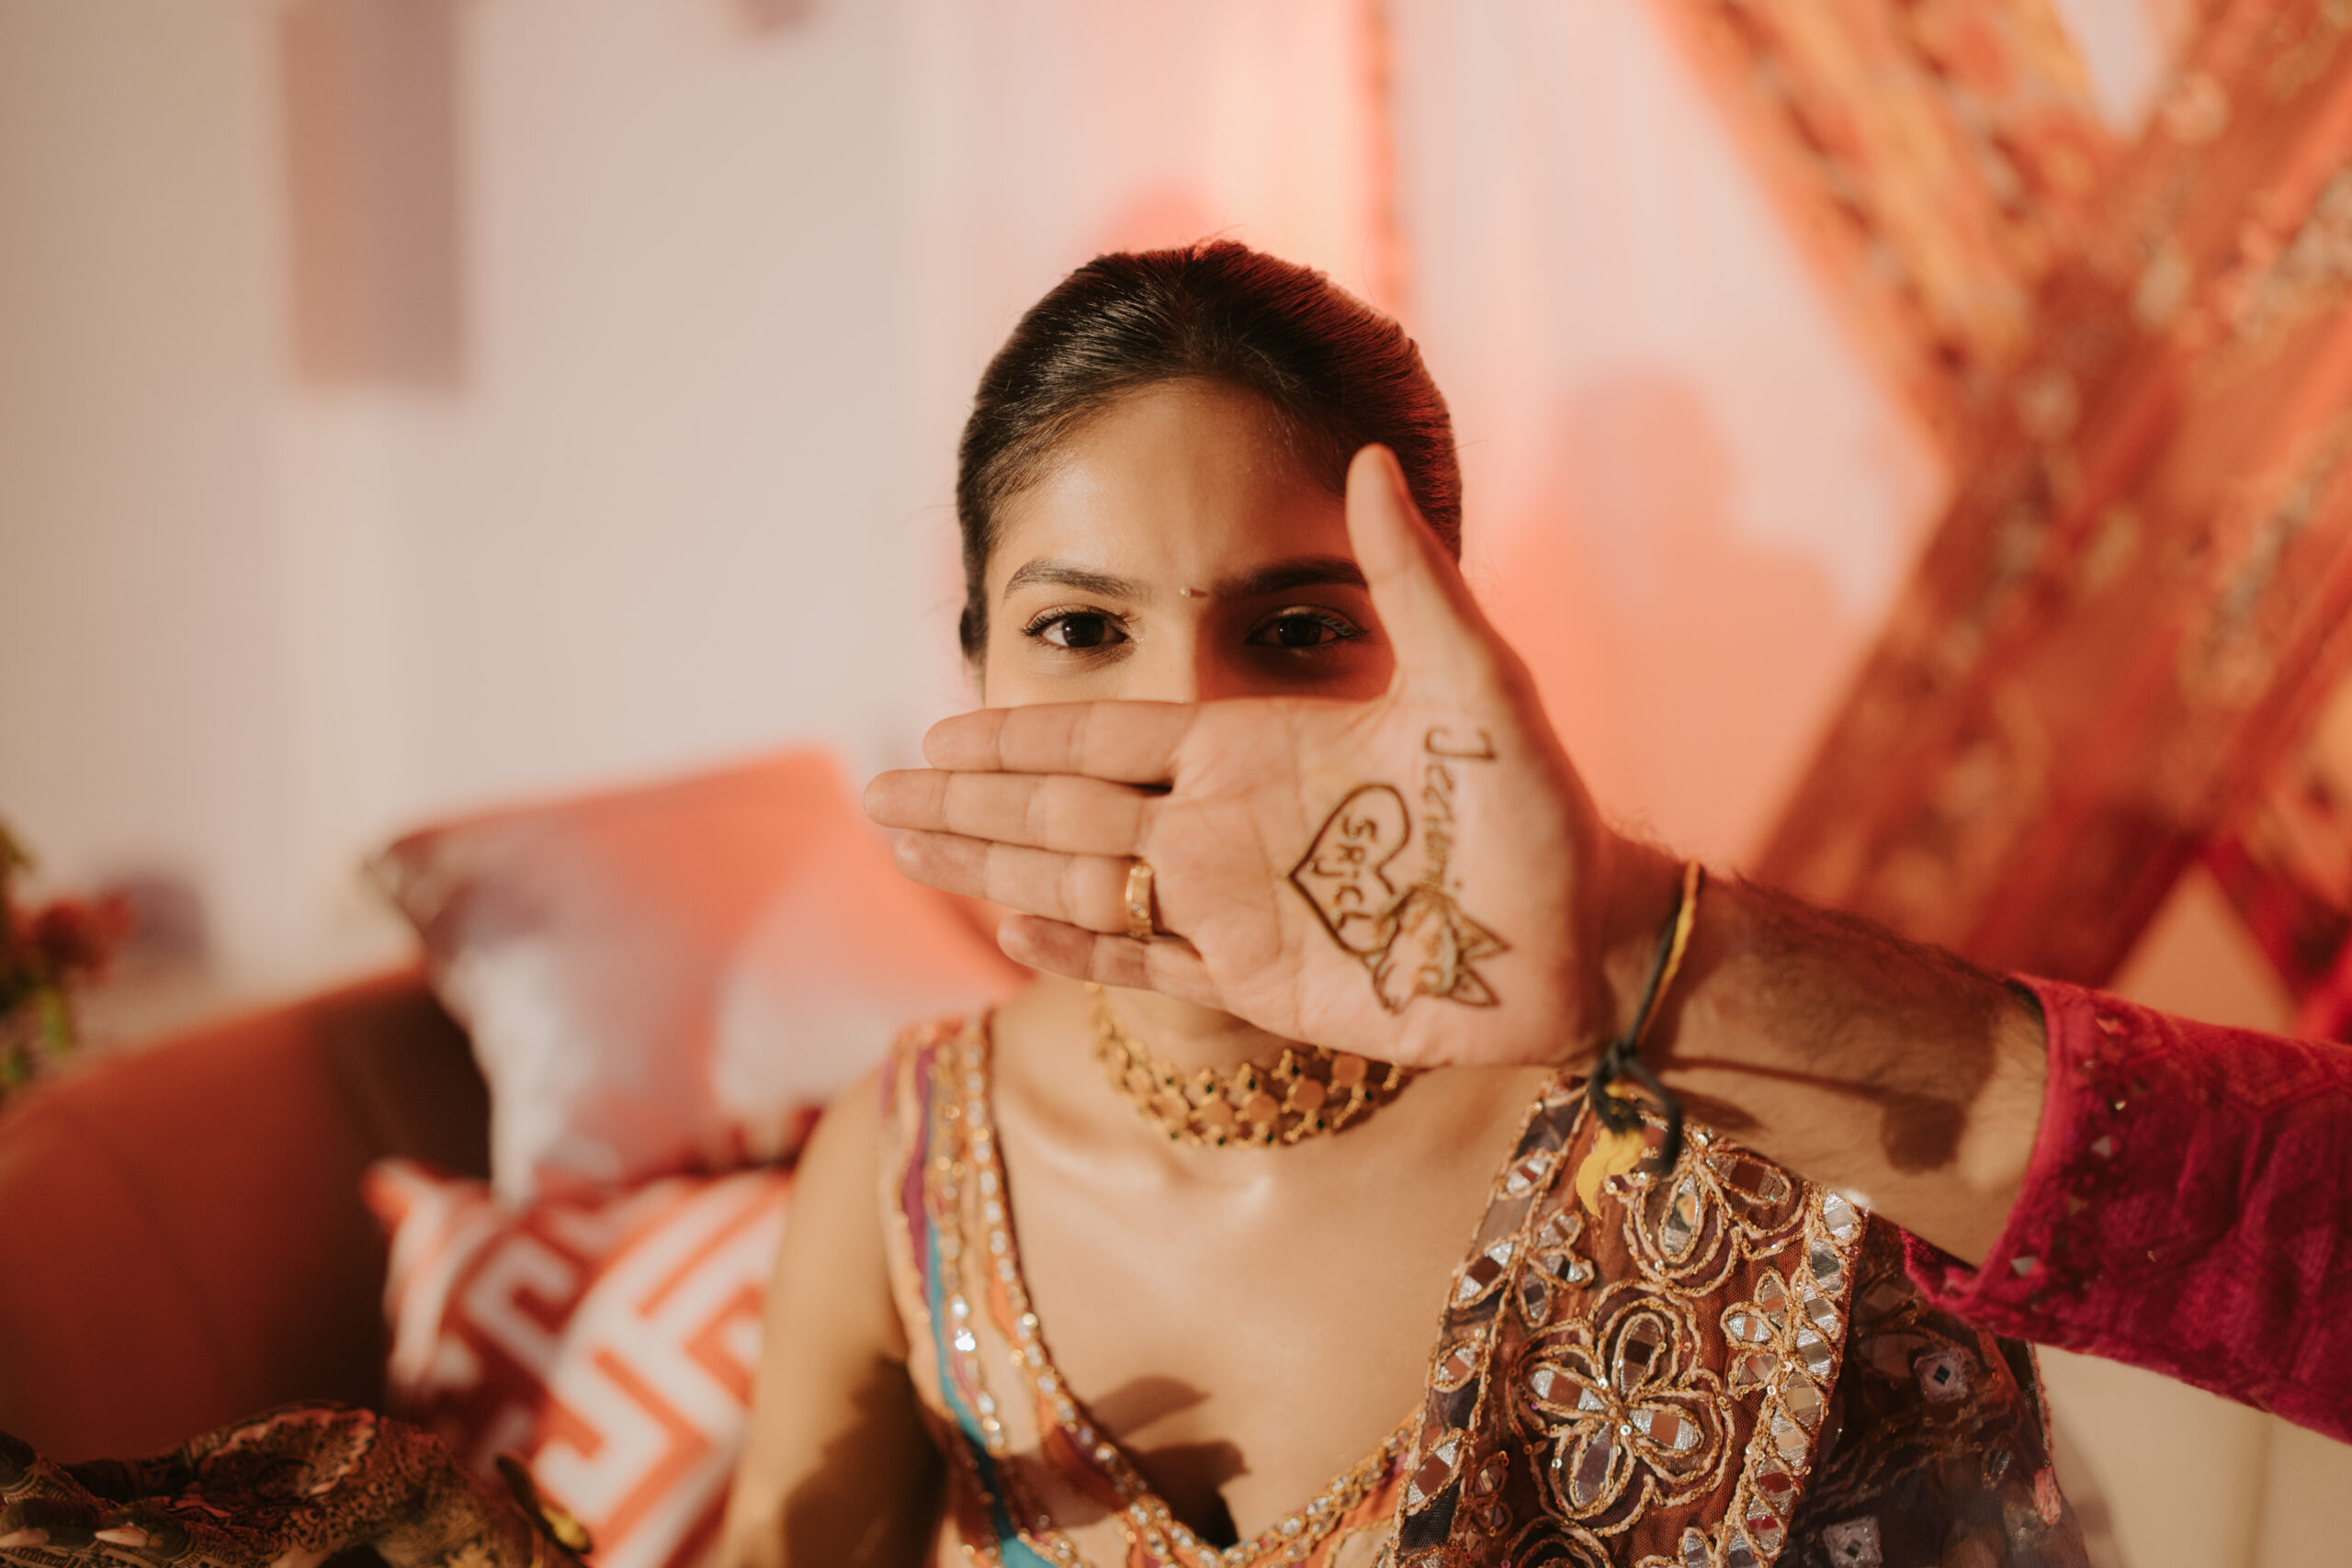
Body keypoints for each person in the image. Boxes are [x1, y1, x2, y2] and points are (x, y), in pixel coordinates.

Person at [853, 248, 2352, 1466]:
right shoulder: (909, 1153)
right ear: (974, 651)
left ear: (1446, 654)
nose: (1188, 722)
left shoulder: (1717, 1156)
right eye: (1080, 628)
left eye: (1300, 630)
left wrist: (1633, 954)